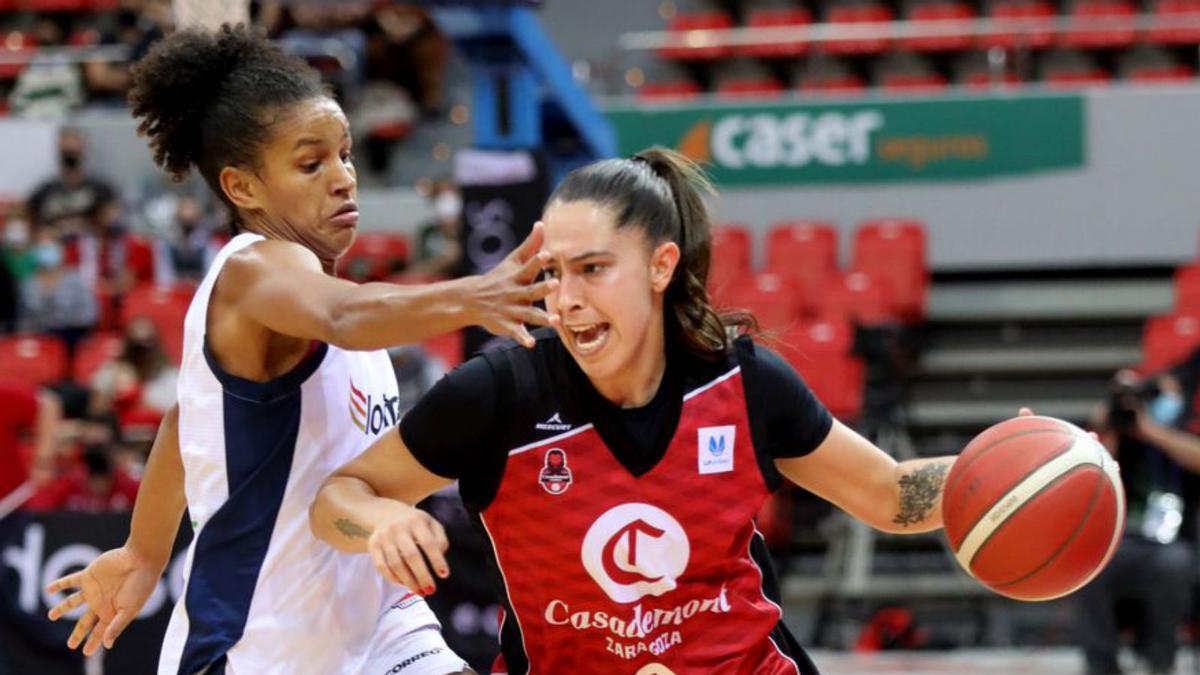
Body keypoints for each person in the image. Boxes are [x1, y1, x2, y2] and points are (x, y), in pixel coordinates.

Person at [309, 148, 966, 674]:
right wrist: (379, 520)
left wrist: (1021, 463)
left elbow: (891, 494)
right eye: (553, 272)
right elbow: (338, 496)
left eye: (593, 269)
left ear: (661, 266)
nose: (565, 299)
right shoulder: (498, 396)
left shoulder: (743, 385)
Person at [45, 25, 556, 675]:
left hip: (381, 627)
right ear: (243, 188)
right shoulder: (256, 270)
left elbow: (185, 425)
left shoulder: (319, 289)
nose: (343, 178)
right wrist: (474, 294)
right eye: (311, 163)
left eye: (344, 154)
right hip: (258, 647)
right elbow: (344, 315)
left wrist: (143, 551)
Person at [1077, 369, 1200, 675]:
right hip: (1115, 542)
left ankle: (1160, 662)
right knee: (1085, 567)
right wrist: (1114, 431)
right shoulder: (1104, 436)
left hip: (1168, 545)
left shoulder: (1178, 429)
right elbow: (1091, 480)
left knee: (1174, 565)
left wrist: (1150, 431)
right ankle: (1102, 666)